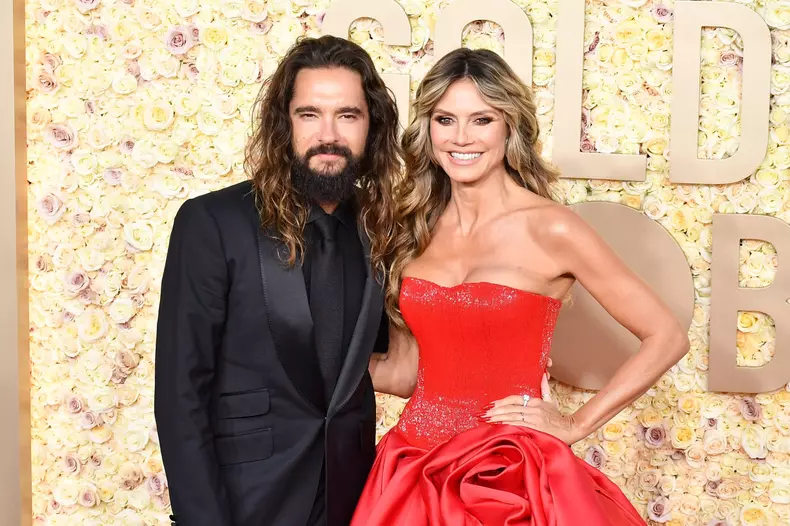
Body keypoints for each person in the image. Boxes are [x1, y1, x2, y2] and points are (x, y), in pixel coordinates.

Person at [351, 48, 690, 525]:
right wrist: (305, 364)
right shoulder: (411, 229)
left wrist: (575, 424)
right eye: (445, 119)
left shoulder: (552, 228)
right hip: (415, 473)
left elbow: (667, 336)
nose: (461, 137)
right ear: (427, 130)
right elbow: (406, 374)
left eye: (481, 119)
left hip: (509, 479)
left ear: (509, 127)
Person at [154, 35, 402, 526]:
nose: (328, 134)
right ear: (283, 123)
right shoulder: (213, 222)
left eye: (348, 115)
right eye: (309, 114)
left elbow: (371, 361)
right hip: (248, 498)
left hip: (355, 500)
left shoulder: (383, 229)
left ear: (371, 127)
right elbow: (181, 395)